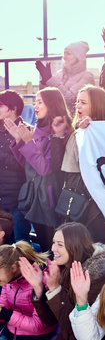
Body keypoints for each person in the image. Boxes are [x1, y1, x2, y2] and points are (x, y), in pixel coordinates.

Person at [19, 222, 105, 340]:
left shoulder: (98, 277)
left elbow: (73, 329)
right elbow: (51, 321)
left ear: (75, 246)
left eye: (60, 244)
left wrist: (55, 289)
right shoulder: (64, 267)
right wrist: (38, 287)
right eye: (54, 243)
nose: (53, 248)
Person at [5, 88, 72, 251]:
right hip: (34, 197)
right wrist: (19, 140)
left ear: (52, 104)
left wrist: (28, 142)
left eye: (40, 102)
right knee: (43, 243)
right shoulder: (37, 129)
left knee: (51, 245)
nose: (35, 106)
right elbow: (28, 164)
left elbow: (45, 169)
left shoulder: (59, 131)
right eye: (35, 101)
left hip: (48, 199)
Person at [55, 85, 105, 244]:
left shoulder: (100, 132)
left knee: (86, 242)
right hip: (73, 187)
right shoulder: (77, 129)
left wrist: (86, 134)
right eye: (77, 102)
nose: (78, 106)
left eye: (83, 102)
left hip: (89, 193)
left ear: (96, 105)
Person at [0, 241, 57, 339]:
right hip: (11, 332)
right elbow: (4, 307)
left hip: (36, 336)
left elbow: (38, 326)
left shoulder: (41, 281)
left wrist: (7, 315)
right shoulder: (8, 282)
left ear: (13, 268)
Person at [0, 90, 29, 242]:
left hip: (17, 198)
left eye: (1, 105)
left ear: (13, 109)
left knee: (20, 242)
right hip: (2, 196)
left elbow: (25, 164)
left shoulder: (26, 130)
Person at [35, 42, 95, 114]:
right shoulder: (59, 74)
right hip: (55, 118)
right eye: (64, 53)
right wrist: (44, 82)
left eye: (68, 54)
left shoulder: (87, 76)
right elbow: (45, 97)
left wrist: (49, 80)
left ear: (78, 58)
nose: (64, 57)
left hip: (73, 120)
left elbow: (71, 99)